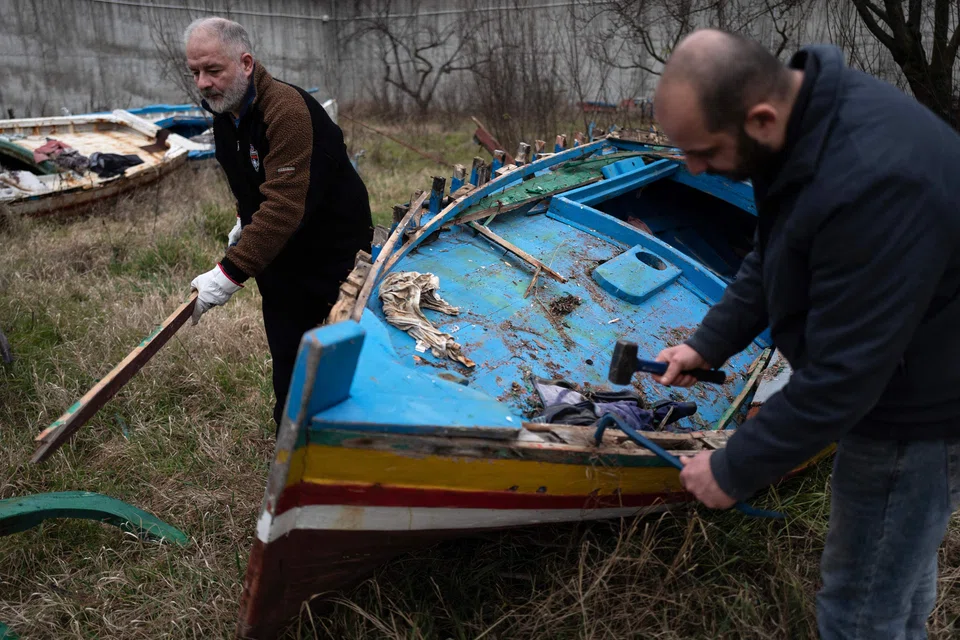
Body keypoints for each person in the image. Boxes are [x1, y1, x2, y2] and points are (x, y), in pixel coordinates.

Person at [650, 29, 960, 638]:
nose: (692, 169)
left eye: (703, 152)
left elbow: (846, 376)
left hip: (917, 410)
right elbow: (775, 252)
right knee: (897, 578)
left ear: (759, 117)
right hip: (912, 370)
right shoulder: (808, 127)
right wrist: (707, 343)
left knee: (859, 612)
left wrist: (734, 466)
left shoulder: (873, 182)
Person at [184, 17, 373, 429]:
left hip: (332, 249)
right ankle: (291, 437)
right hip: (281, 253)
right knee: (287, 347)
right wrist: (243, 219)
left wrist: (226, 275)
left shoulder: (286, 111)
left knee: (339, 346)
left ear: (246, 63)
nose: (203, 83)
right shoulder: (226, 114)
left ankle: (351, 436)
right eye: (195, 72)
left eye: (213, 70)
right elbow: (250, 183)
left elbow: (285, 206)